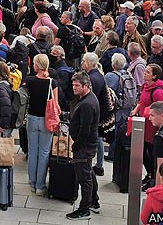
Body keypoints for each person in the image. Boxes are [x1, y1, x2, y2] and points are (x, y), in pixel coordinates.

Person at [66, 71, 101, 220]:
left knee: (84, 177)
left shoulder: (87, 103)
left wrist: (76, 145)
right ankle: (94, 201)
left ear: (86, 86)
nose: (74, 88)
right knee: (88, 172)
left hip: (84, 145)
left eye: (77, 85)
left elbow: (85, 129)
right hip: (87, 144)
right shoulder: (87, 98)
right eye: (73, 85)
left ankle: (84, 209)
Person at [131, 64, 163, 189]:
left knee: (151, 153)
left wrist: (146, 113)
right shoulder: (146, 86)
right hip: (143, 124)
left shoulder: (158, 91)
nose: (144, 73)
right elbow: (142, 101)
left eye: (147, 72)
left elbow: (158, 110)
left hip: (152, 127)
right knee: (141, 152)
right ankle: (150, 173)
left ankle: (153, 177)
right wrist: (136, 110)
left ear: (154, 76)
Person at [25, 54, 56, 196]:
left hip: (32, 118)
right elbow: (56, 105)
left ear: (37, 65)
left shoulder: (29, 81)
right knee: (44, 153)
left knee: (32, 151)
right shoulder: (52, 83)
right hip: (47, 120)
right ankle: (40, 185)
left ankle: (31, 183)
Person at [81, 52, 109, 176]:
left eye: (84, 61)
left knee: (97, 139)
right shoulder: (99, 75)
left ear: (89, 64)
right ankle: (99, 164)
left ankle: (98, 165)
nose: (82, 63)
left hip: (95, 113)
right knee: (99, 139)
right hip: (99, 111)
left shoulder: (92, 78)